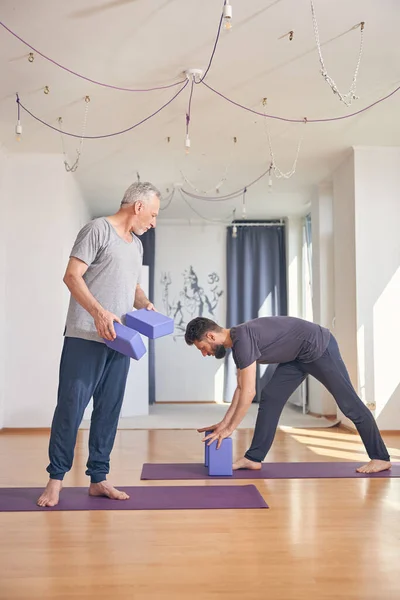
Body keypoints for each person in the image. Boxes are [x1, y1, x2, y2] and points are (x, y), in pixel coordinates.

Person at [37, 182, 161, 507]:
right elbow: (72, 276)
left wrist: (144, 303)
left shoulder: (136, 246)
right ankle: (55, 480)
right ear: (138, 207)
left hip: (119, 342)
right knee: (70, 409)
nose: (153, 222)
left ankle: (99, 478)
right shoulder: (97, 230)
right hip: (84, 336)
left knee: (108, 411)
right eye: (153, 214)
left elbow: (132, 287)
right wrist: (98, 313)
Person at [184, 316, 391, 474]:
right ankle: (254, 458)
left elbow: (248, 392)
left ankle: (380, 457)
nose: (205, 353)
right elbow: (240, 389)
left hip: (319, 347)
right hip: (297, 356)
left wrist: (229, 429)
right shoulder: (239, 342)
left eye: (203, 348)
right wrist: (224, 424)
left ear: (211, 336)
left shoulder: (242, 341)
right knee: (271, 396)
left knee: (349, 404)